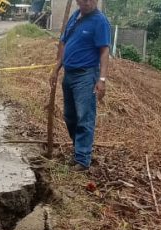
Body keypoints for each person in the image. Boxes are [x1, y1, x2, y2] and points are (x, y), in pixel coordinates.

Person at [50, 0, 110, 172]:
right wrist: (56, 68)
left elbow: (104, 51)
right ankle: (78, 151)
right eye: (84, 0)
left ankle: (83, 160)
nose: (88, 3)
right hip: (69, 74)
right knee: (69, 116)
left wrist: (102, 79)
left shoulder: (100, 21)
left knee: (85, 117)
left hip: (86, 75)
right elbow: (64, 42)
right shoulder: (75, 16)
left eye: (91, 0)